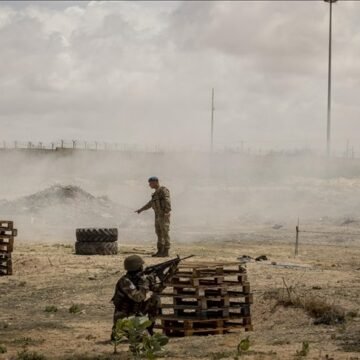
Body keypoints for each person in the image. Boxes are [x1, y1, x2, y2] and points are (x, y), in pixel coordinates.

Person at [111, 255, 174, 338]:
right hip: (125, 318)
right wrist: (145, 282)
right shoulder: (125, 281)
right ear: (138, 267)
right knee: (139, 338)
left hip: (136, 312)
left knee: (155, 299)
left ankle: (149, 329)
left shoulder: (140, 279)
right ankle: (122, 332)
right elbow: (138, 298)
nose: (142, 267)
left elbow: (157, 290)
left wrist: (169, 275)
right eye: (141, 265)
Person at [135, 177, 171, 257]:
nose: (149, 185)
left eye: (150, 183)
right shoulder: (155, 194)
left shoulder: (163, 190)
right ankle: (160, 251)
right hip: (157, 216)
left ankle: (166, 251)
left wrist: (167, 212)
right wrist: (141, 210)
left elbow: (167, 201)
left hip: (163, 215)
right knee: (159, 233)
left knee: (165, 233)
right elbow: (150, 204)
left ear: (156, 182)